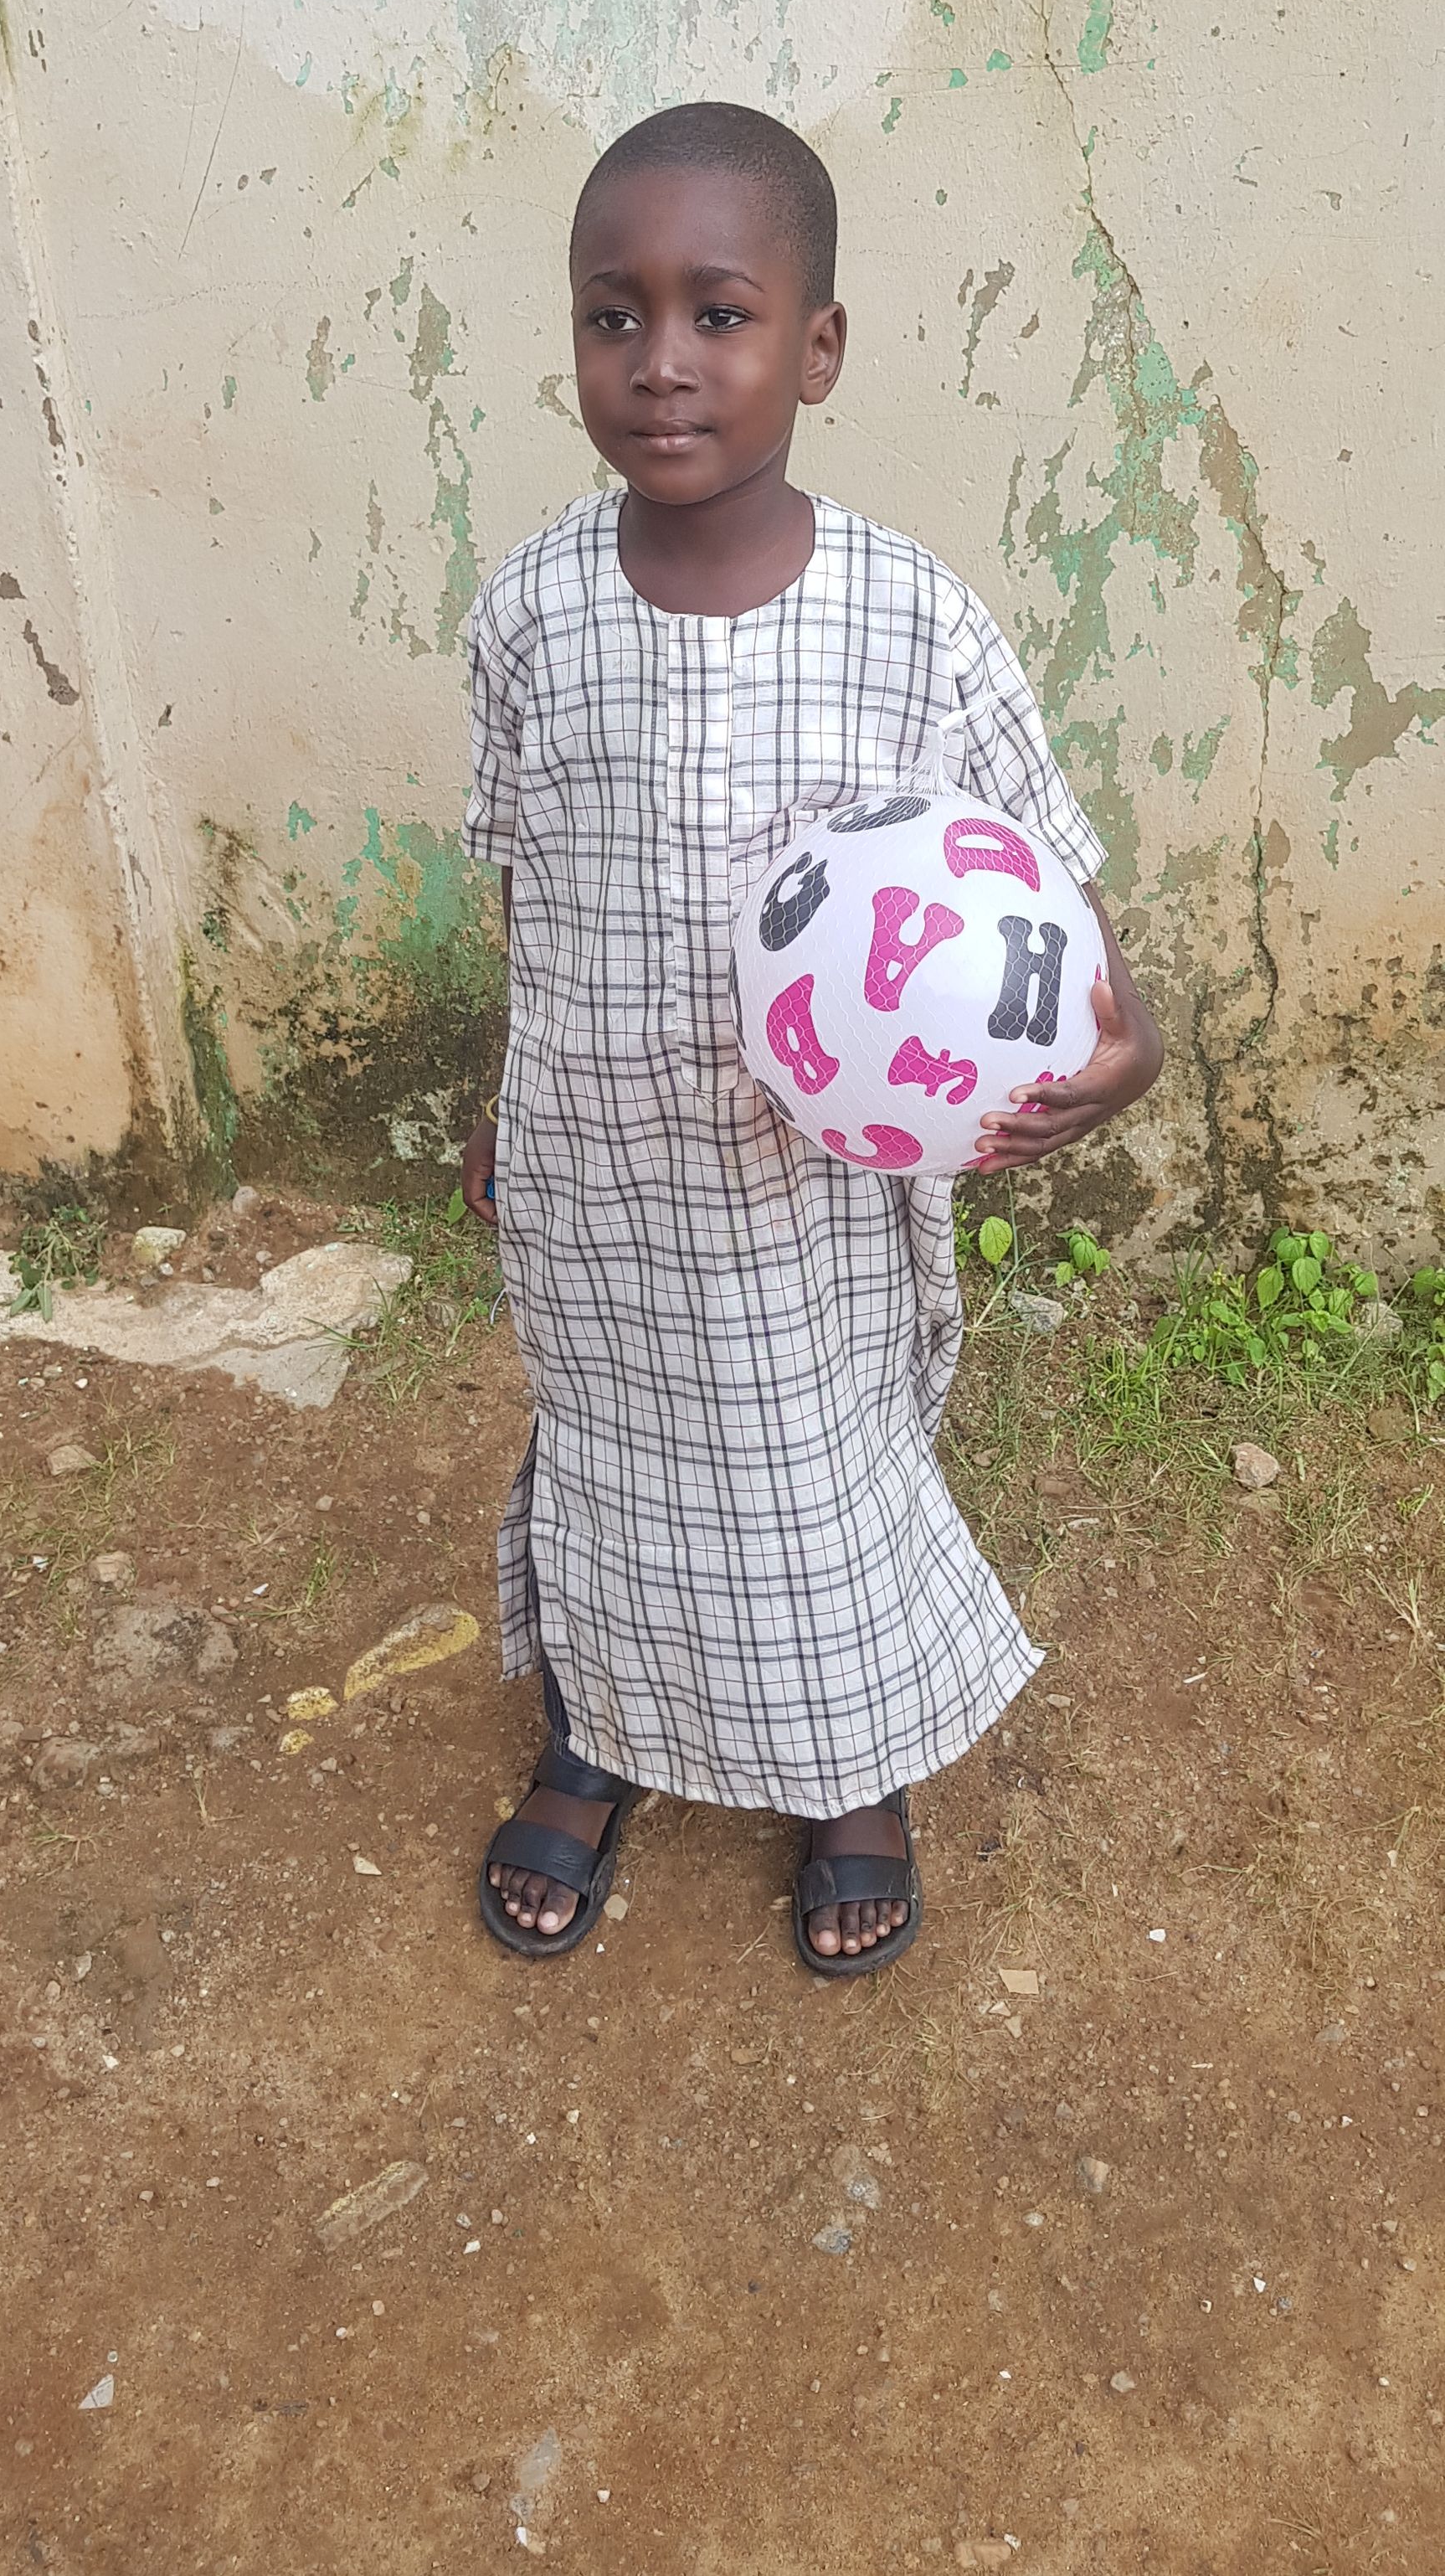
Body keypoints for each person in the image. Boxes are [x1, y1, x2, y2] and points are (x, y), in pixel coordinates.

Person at [459, 101, 1162, 1975]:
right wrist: (500, 1097)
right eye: (614, 315)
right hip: (601, 1171)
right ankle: (601, 1730)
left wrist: (1130, 1045)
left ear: (818, 347)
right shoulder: (529, 612)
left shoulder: (916, 624)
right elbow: (529, 878)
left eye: (720, 313)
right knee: (609, 1447)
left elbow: (1047, 887)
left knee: (815, 1468)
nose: (661, 361)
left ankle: (854, 1766)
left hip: (810, 1195)